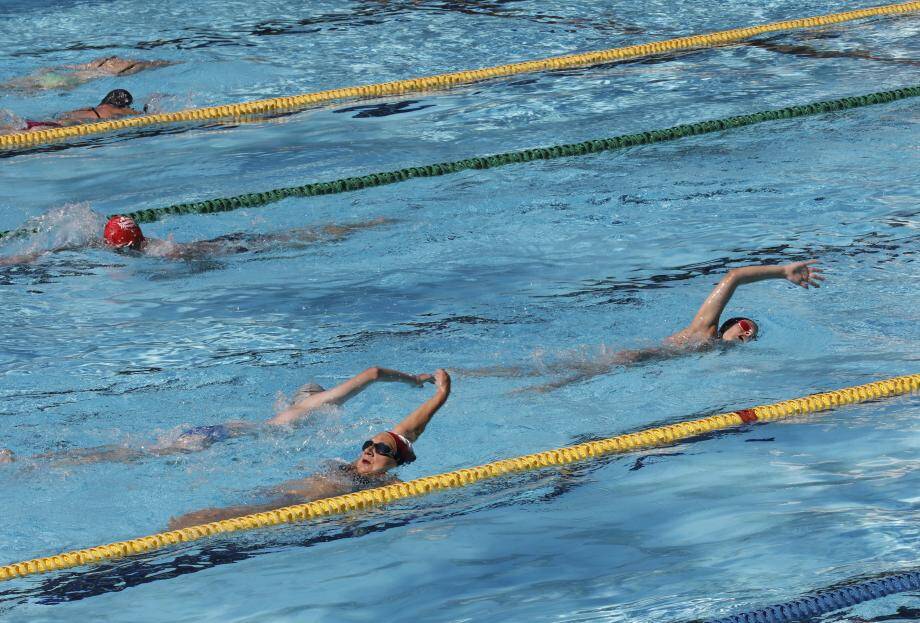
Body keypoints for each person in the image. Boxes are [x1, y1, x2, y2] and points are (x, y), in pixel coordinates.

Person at [460, 261, 824, 392]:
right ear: (730, 324)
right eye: (745, 325)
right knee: (553, 379)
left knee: (536, 370)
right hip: (633, 357)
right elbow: (733, 277)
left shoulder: (713, 350)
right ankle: (537, 388)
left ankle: (472, 374)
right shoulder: (704, 332)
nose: (746, 334)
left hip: (636, 361)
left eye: (751, 335)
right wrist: (781, 271)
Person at [0, 368, 450, 471]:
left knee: (136, 452)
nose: (369, 448)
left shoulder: (288, 412)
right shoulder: (319, 409)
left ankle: (35, 459)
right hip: (217, 441)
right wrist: (411, 381)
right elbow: (370, 374)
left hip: (217, 432)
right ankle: (30, 462)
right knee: (133, 456)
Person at [165, 368, 451, 530]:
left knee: (206, 518)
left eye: (380, 449)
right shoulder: (365, 471)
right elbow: (402, 432)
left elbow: (409, 431)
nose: (371, 450)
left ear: (396, 461)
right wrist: (426, 388)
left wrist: (441, 395)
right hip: (280, 491)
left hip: (284, 501)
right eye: (369, 445)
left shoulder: (387, 485)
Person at [0, 214, 393, 265]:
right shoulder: (137, 241)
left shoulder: (159, 250)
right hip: (218, 240)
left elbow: (187, 258)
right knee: (282, 234)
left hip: (216, 249)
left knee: (287, 240)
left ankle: (353, 227)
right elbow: (59, 247)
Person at [0, 89, 141, 134]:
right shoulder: (116, 111)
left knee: (16, 127)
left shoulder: (89, 108)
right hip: (57, 127)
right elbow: (138, 115)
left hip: (52, 121)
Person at [1, 56, 174, 92]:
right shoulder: (132, 66)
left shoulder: (99, 61)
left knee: (15, 85)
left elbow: (71, 66)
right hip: (65, 82)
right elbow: (153, 65)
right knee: (27, 88)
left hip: (57, 75)